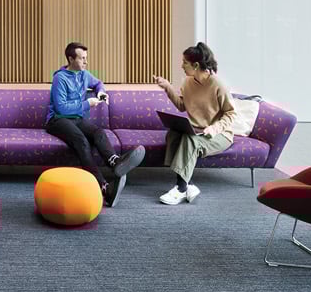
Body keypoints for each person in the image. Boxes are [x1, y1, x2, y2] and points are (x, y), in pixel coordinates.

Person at [44, 42, 145, 206]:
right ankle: (103, 187)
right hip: (57, 119)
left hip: (76, 118)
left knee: (98, 132)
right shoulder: (59, 78)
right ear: (71, 59)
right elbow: (61, 108)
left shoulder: (84, 74)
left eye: (86, 58)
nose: (86, 62)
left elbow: (98, 83)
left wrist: (101, 92)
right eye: (82, 58)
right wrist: (87, 104)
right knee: (82, 141)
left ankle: (115, 162)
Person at [152, 42, 235, 205]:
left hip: (219, 134)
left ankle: (181, 189)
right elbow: (182, 106)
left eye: (185, 62)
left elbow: (231, 114)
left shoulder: (218, 85)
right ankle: (188, 185)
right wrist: (168, 87)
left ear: (196, 65)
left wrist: (214, 127)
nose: (182, 66)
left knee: (190, 140)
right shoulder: (188, 82)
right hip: (196, 129)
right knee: (174, 134)